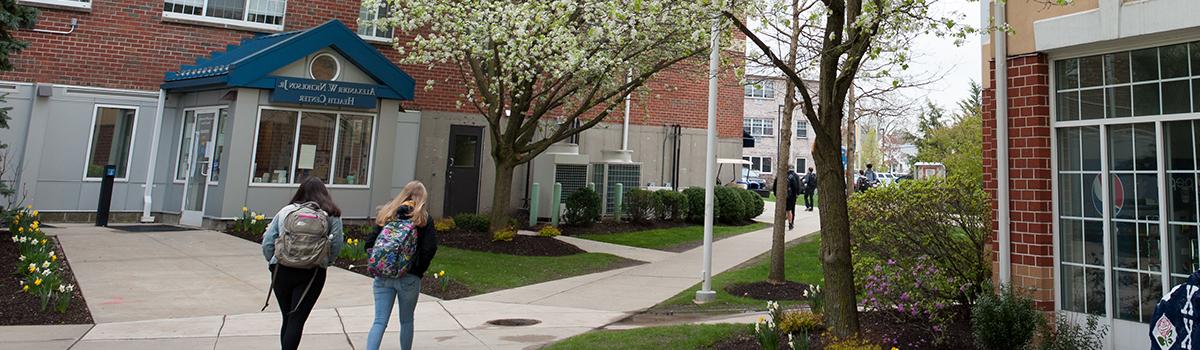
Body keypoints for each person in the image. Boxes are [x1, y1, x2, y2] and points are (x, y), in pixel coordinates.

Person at [260, 177, 344, 350]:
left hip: (281, 270)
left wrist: (273, 262)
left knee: (287, 317)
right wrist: (325, 262)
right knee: (297, 319)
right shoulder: (331, 214)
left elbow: (268, 241)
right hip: (312, 272)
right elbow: (336, 245)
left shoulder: (286, 211)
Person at [365, 181, 438, 350]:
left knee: (379, 321)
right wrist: (418, 269)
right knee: (406, 320)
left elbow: (369, 243)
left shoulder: (387, 214)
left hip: (383, 275)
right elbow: (430, 248)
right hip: (409, 277)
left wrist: (379, 262)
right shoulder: (423, 219)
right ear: (422, 198)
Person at [784, 166, 801, 230]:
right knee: (791, 209)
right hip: (792, 195)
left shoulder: (784, 175)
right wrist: (797, 193)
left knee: (784, 209)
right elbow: (798, 185)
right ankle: (791, 222)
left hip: (784, 195)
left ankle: (784, 220)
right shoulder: (796, 176)